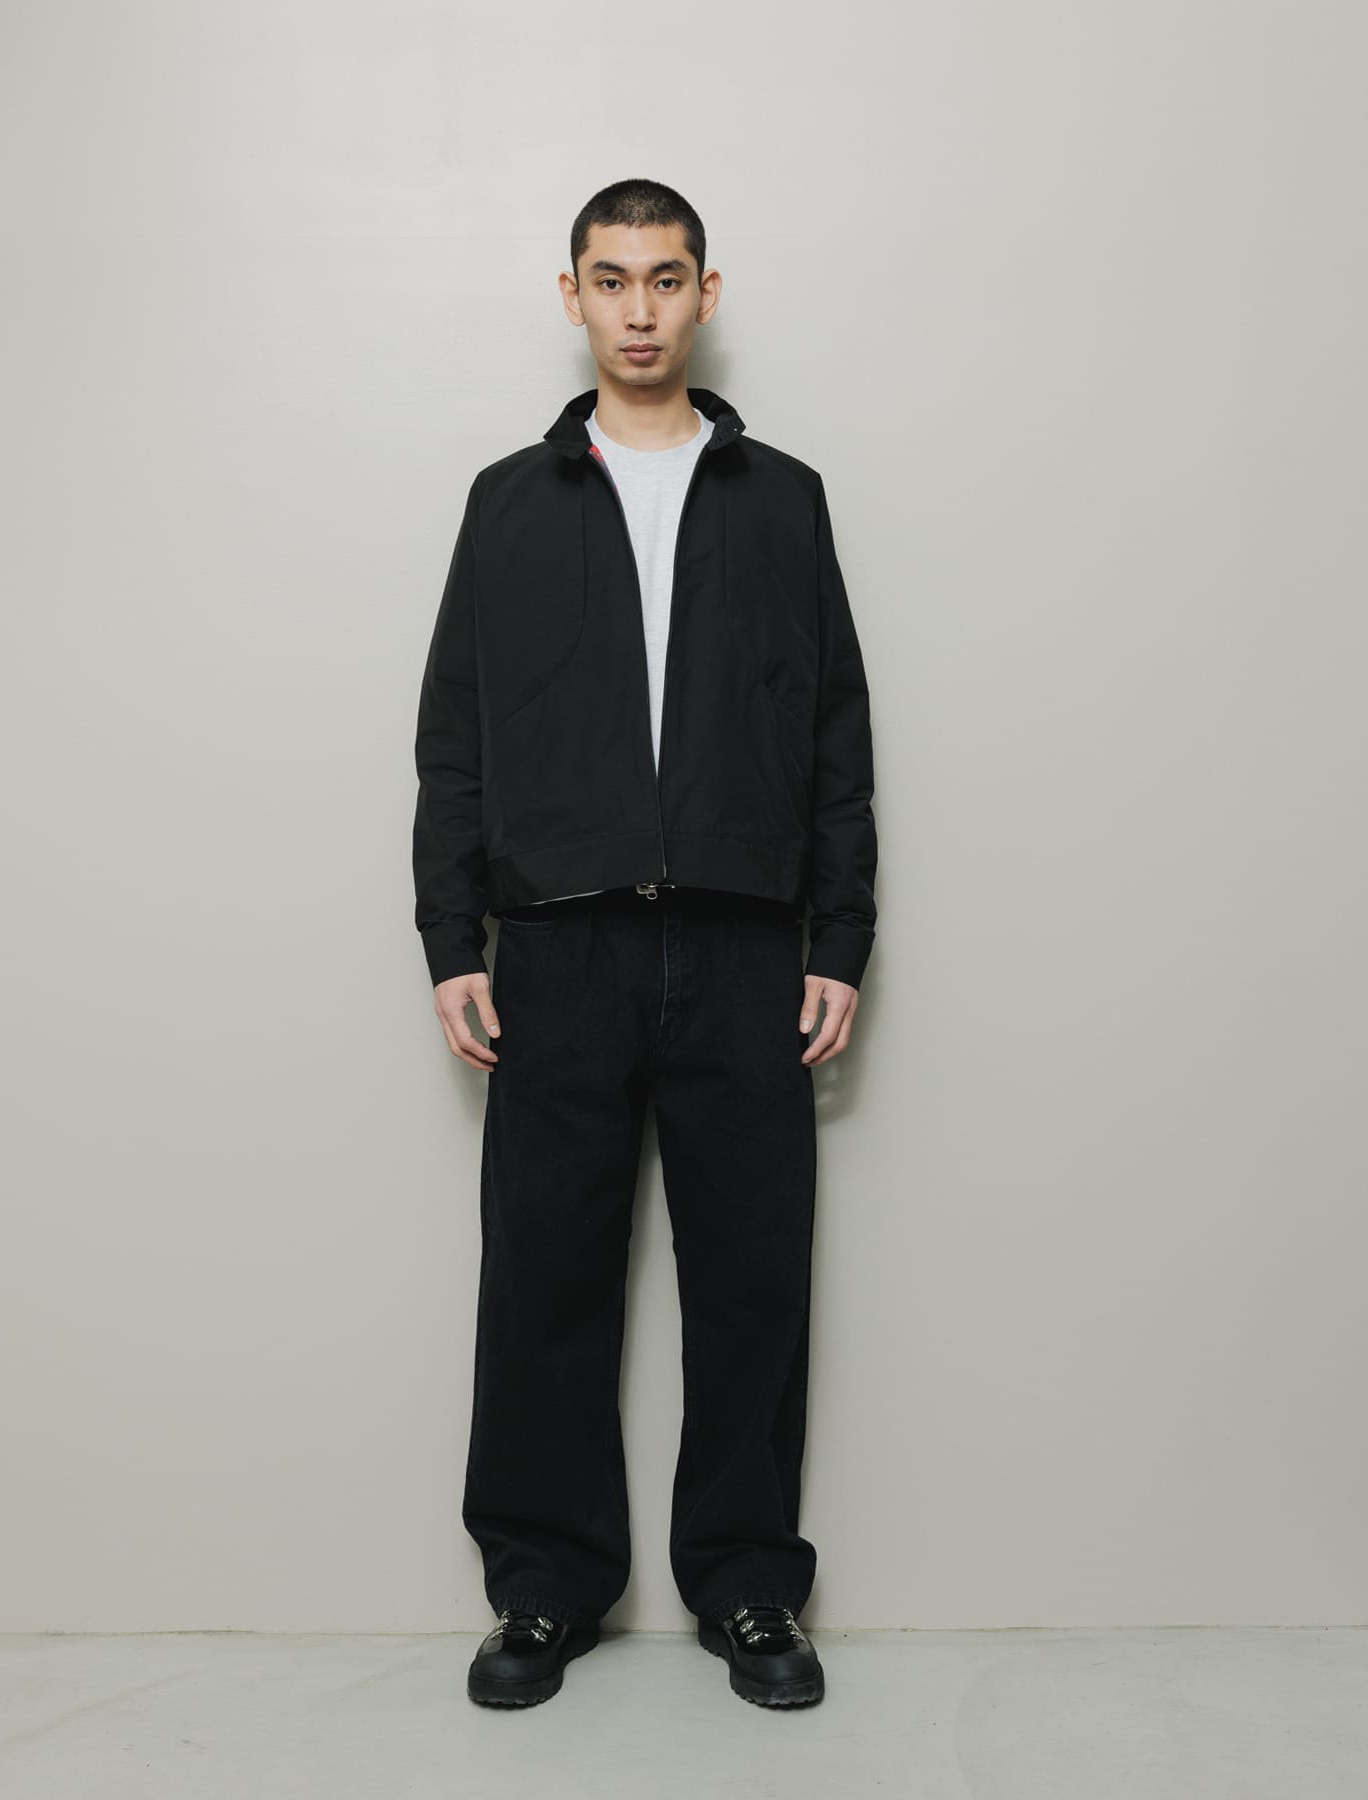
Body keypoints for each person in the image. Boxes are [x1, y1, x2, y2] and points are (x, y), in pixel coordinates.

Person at [412, 177, 878, 1710]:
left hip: (746, 948)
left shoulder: (784, 499)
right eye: (610, 280)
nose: (638, 309)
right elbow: (458, 737)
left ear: (704, 293)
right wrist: (453, 933)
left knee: (752, 1281)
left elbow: (835, 732)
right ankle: (545, 1589)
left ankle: (748, 1587)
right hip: (559, 948)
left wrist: (839, 935)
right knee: (545, 1278)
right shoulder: (509, 501)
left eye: (664, 279)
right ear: (573, 296)